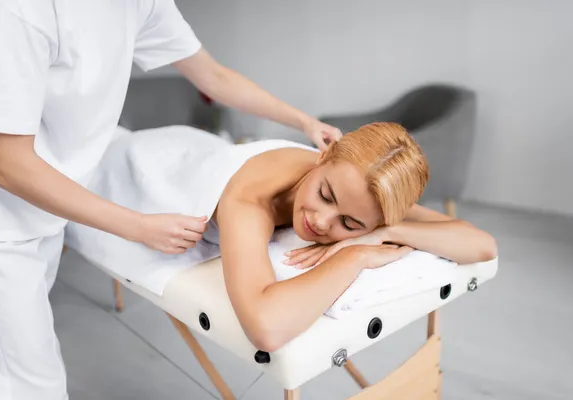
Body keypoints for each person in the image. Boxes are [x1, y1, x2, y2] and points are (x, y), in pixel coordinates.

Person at [0, 0, 341, 399]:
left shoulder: (139, 3)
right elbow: (5, 163)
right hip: (3, 218)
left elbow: (213, 76)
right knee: (31, 384)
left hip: (54, 199)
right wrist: (137, 226)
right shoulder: (22, 9)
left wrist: (303, 121)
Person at [70, 121, 498, 355]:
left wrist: (390, 229)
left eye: (349, 224)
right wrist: (353, 256)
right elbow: (266, 328)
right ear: (324, 155)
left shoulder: (367, 196)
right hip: (140, 167)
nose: (320, 222)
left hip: (189, 147)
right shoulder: (251, 198)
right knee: (93, 151)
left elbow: (481, 245)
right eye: (324, 194)